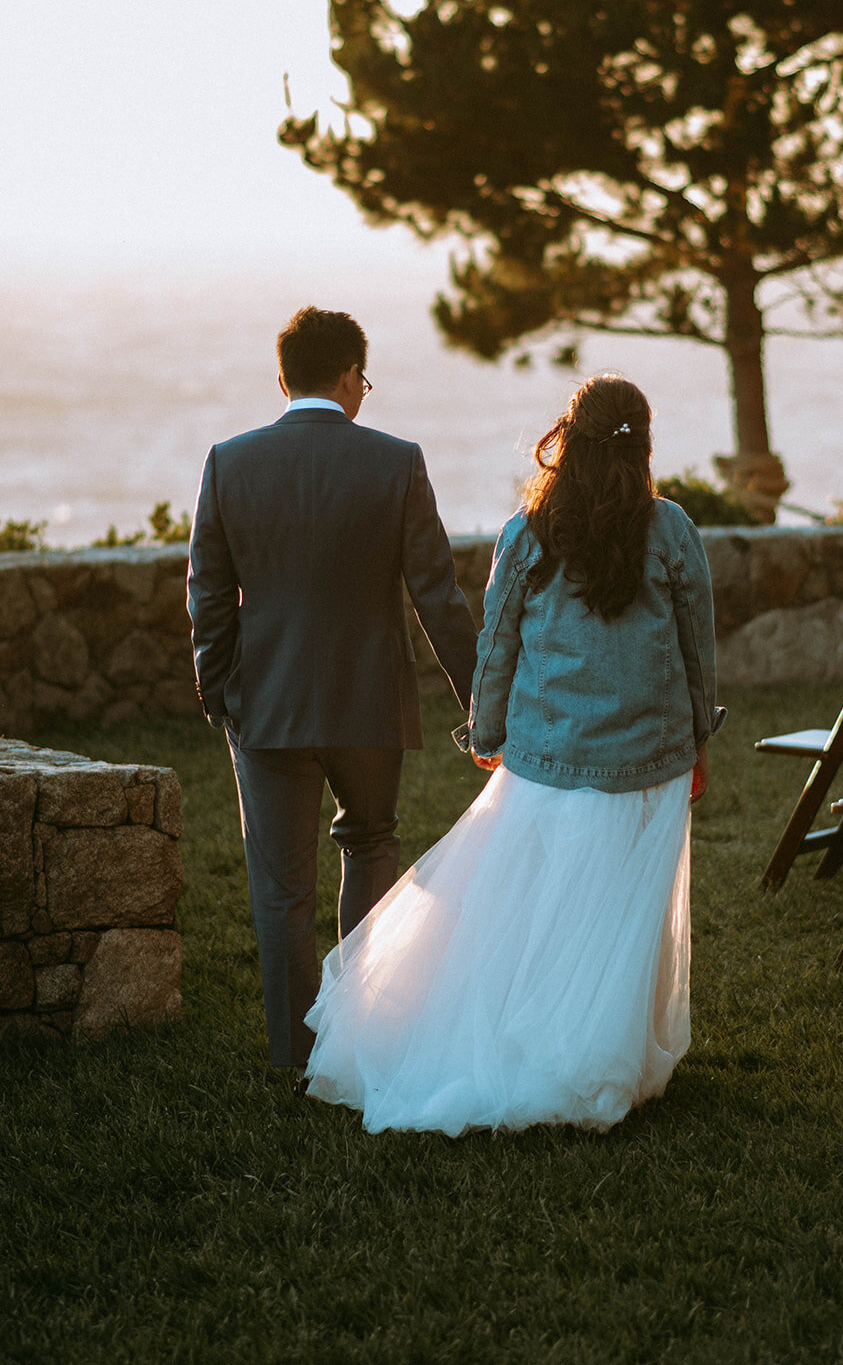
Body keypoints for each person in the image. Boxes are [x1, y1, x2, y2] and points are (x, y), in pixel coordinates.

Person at [303, 373, 724, 1133]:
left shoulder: (526, 532)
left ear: (569, 437)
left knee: (540, 908)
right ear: (643, 444)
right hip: (648, 757)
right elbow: (697, 647)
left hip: (548, 751)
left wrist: (488, 733)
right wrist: (697, 739)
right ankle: (600, 1057)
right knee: (621, 912)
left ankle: (541, 1042)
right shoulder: (671, 529)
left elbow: (496, 645)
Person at [187, 305, 478, 1078]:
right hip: (367, 700)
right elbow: (437, 596)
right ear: (350, 375)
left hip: (266, 703)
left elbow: (208, 596)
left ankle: (292, 1054)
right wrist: (483, 701)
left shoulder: (229, 461)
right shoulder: (395, 461)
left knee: (280, 889)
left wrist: (219, 691)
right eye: (364, 380)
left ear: (282, 377)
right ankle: (363, 1040)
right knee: (371, 847)